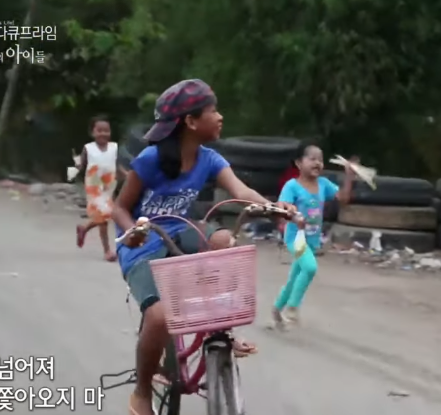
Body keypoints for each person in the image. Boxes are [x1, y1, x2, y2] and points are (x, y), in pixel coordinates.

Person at [112, 79, 295, 415]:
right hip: (144, 239)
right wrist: (131, 231)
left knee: (224, 240)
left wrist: (275, 207)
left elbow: (241, 191)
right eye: (214, 111)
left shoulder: (210, 159)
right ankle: (140, 394)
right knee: (158, 317)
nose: (221, 117)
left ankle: (219, 328)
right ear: (191, 122)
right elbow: (119, 207)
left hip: (182, 229)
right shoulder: (150, 160)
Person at [273, 143, 355, 328]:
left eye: (320, 159)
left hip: (312, 238)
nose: (317, 163)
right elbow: (282, 207)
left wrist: (349, 177)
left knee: (296, 276)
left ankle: (276, 309)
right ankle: (293, 308)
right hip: (296, 237)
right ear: (299, 163)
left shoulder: (324, 185)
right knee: (310, 268)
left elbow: (343, 199)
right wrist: (293, 216)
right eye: (312, 158)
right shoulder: (292, 186)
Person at [75, 115, 118, 262]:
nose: (103, 134)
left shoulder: (114, 147)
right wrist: (76, 167)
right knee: (103, 217)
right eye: (99, 130)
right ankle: (107, 251)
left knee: (106, 215)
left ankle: (84, 228)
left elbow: (117, 165)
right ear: (92, 132)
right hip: (94, 186)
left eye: (106, 130)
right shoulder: (89, 148)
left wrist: (129, 174)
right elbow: (81, 165)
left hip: (108, 186)